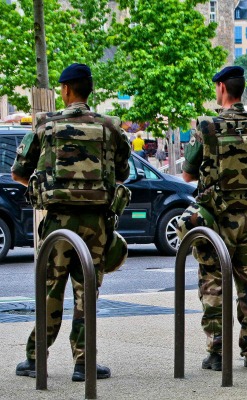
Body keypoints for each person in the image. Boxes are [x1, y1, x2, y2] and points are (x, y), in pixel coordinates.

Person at [11, 63, 132, 382]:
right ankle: (84, 363)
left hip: (57, 223)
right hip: (97, 224)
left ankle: (36, 358)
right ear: (89, 90)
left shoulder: (45, 124)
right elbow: (123, 173)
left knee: (51, 289)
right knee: (87, 290)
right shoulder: (110, 126)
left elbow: (18, 172)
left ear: (65, 90)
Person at [176, 66, 247, 371]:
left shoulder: (208, 127)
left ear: (223, 88)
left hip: (215, 221)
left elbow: (187, 174)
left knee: (213, 282)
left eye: (216, 87)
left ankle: (217, 352)